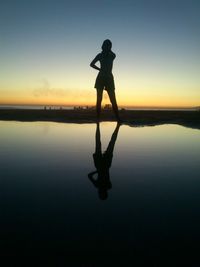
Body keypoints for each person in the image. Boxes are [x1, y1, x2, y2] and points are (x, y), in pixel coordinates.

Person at [88, 122, 121, 200]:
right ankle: (100, 125)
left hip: (104, 165)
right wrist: (97, 171)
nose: (101, 192)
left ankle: (114, 126)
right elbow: (89, 176)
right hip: (102, 165)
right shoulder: (101, 186)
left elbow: (89, 176)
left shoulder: (107, 186)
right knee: (101, 143)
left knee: (109, 143)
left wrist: (97, 171)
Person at [90, 39, 121, 122]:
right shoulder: (100, 55)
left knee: (113, 99)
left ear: (110, 47)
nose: (107, 47)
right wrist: (99, 69)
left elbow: (113, 54)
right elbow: (91, 64)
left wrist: (108, 50)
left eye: (109, 45)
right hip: (100, 78)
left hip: (109, 79)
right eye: (106, 45)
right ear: (103, 46)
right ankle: (98, 119)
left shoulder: (112, 55)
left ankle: (118, 119)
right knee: (99, 100)